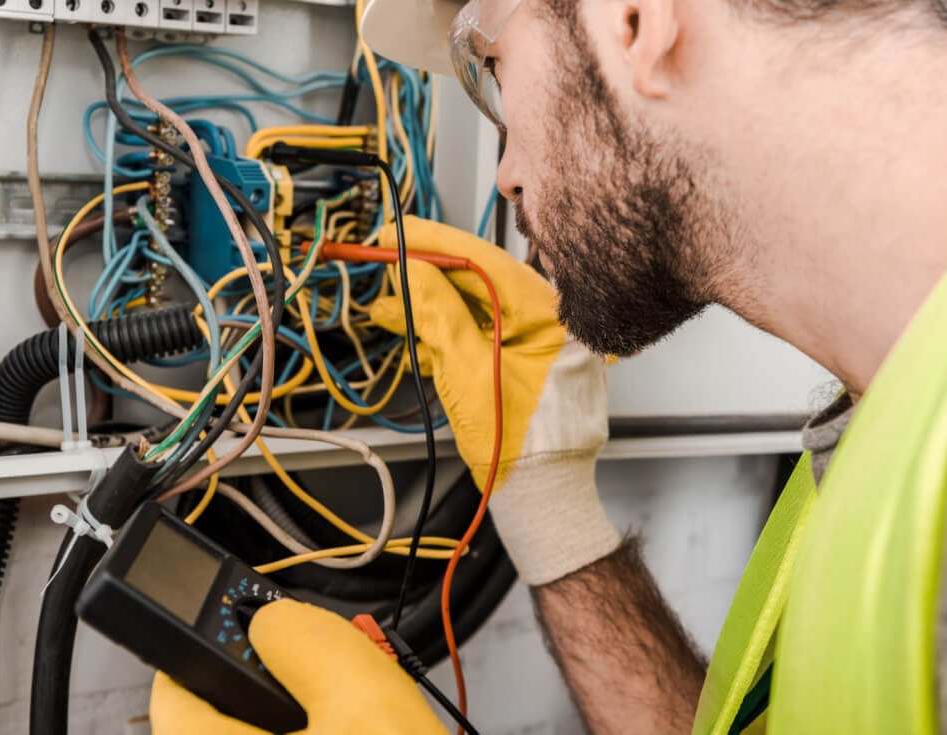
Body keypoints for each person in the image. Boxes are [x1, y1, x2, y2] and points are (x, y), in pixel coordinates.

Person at [151, 1, 947, 732]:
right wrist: (548, 500)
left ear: (635, 17)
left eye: (490, 68)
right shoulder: (887, 428)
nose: (506, 173)